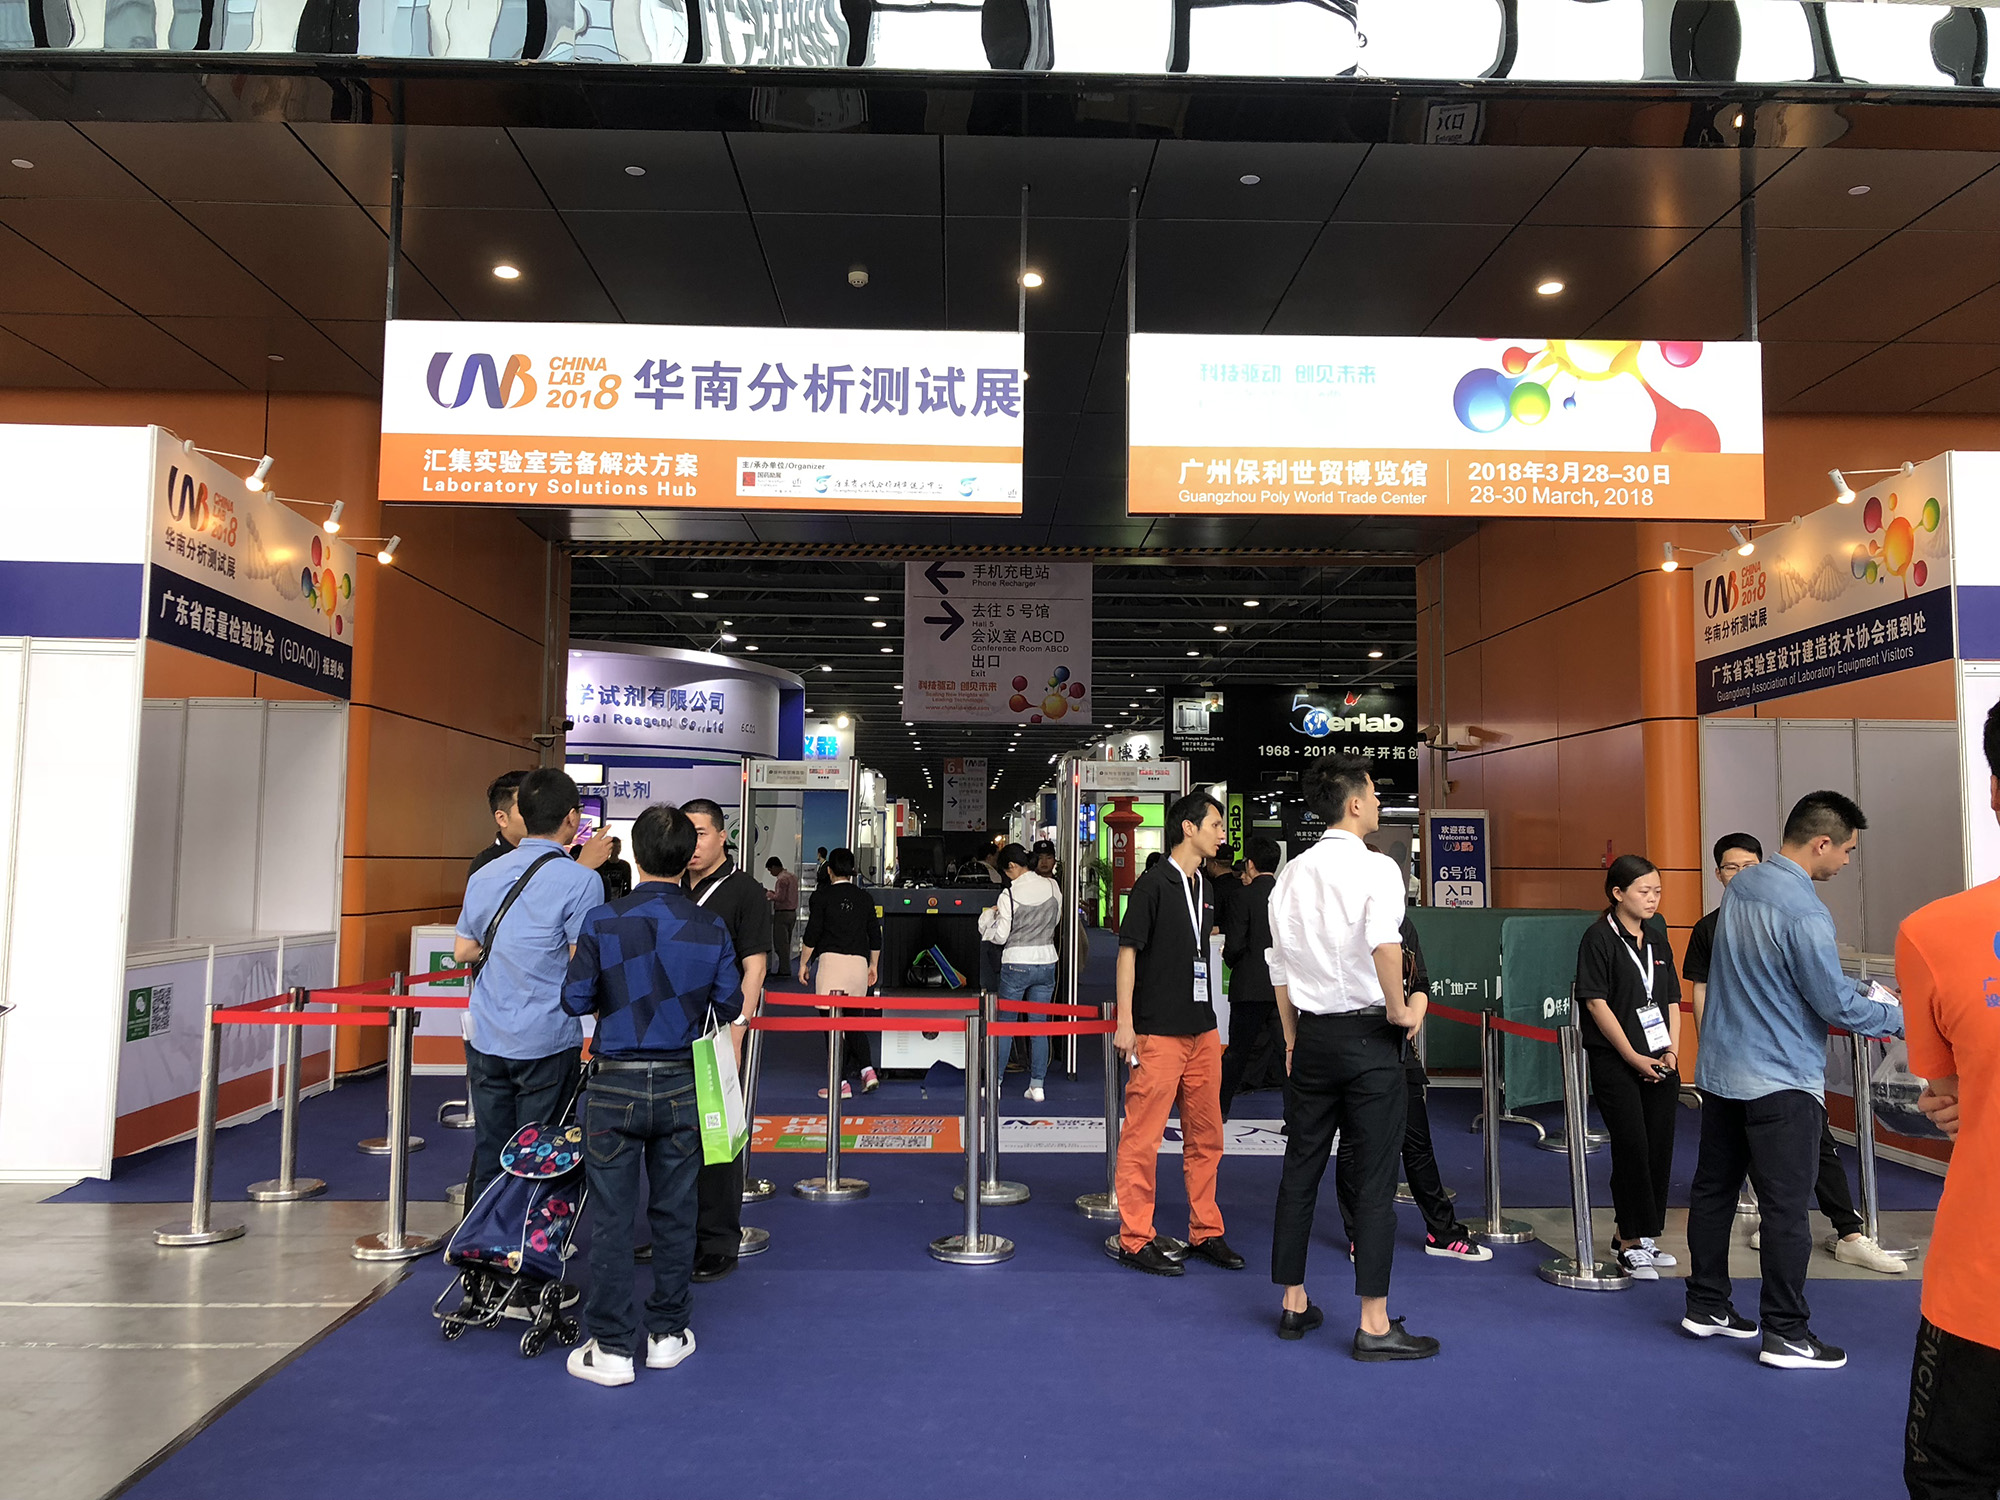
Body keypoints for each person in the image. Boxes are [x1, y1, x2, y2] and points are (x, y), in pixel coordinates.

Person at [1682, 790, 1904, 1370]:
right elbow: (1834, 1004)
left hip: (1723, 1073)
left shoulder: (1743, 887)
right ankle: (1786, 1333)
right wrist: (1901, 1017)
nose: (1847, 862)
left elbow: (1784, 976)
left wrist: (1859, 991)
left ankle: (1706, 1306)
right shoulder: (1805, 911)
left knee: (1713, 1193)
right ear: (1822, 843)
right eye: (1847, 850)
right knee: (1785, 1211)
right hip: (1781, 1081)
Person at [559, 803, 743, 1388]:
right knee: (675, 1210)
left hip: (613, 1082)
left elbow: (574, 999)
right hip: (683, 1083)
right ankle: (667, 1333)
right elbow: (731, 1002)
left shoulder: (602, 921)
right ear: (687, 856)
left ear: (635, 856)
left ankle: (612, 1346)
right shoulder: (709, 925)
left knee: (612, 1218)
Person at [1267, 755, 1437, 1360]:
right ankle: (1374, 1323)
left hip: (1312, 1036)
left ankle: (1293, 1303)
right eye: (1374, 792)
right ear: (1356, 802)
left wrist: (1292, 1039)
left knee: (1300, 1168)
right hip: (1370, 1036)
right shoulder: (1377, 867)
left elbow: (1279, 969)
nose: (1380, 802)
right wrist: (1400, 1010)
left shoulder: (1290, 874)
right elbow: (1386, 945)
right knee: (1373, 1176)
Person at [1896, 698, 2000, 1500]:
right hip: (1978, 1283)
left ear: (1993, 792)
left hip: (1983, 1281)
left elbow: (1954, 1097)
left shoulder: (1933, 935)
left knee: (1950, 1482)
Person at [452, 768, 607, 1203]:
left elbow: (463, 949)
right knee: (540, 1152)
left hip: (486, 1033)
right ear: (572, 818)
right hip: (546, 1037)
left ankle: (480, 1237)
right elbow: (581, 966)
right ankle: (526, 1238)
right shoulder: (582, 881)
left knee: (490, 1148)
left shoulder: (485, 874)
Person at [1110, 791, 1242, 1277]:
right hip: (1158, 1032)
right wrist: (1126, 1023)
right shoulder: (1152, 885)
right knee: (1142, 1138)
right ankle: (1135, 1237)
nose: (1221, 834)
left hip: (1202, 1030)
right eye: (1215, 824)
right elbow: (1127, 954)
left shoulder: (1204, 885)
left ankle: (1205, 1229)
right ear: (1188, 827)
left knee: (1207, 1137)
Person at [1336, 914, 1492, 1263]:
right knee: (1354, 1145)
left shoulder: (1401, 922)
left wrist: (1413, 1014)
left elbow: (1420, 981)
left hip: (1398, 1050)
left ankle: (1442, 1231)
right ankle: (1360, 1234)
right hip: (1351, 1045)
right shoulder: (1342, 915)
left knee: (1417, 1143)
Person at [1575, 855, 1682, 1281]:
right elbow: (1595, 1003)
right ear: (1618, 893)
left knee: (1658, 1146)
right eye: (1644, 891)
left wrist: (1672, 1051)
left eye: (1657, 891)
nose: (1653, 899)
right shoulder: (1598, 938)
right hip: (1616, 1059)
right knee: (1632, 1145)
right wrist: (1633, 1056)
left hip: (1661, 1057)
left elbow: (1670, 999)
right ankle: (1629, 1243)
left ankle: (1638, 1233)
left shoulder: (1657, 939)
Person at [678, 799, 771, 1284]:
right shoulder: (669, 884)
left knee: (718, 1138)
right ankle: (675, 1233)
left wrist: (737, 1031)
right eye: (686, 833)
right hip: (668, 1029)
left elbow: (755, 967)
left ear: (722, 836)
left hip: (718, 1028)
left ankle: (717, 1241)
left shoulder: (744, 891)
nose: (693, 844)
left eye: (701, 833)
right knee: (672, 1138)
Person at [979, 842, 1062, 1102]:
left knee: (1005, 1025)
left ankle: (996, 1083)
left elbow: (1001, 936)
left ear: (1013, 866)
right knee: (1039, 1026)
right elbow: (1056, 920)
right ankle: (1037, 1085)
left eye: (1007, 872)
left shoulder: (1008, 895)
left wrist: (988, 920)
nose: (1007, 877)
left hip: (1016, 963)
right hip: (1047, 961)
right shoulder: (1053, 886)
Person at [800, 847, 881, 1097]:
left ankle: (841, 1083)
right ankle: (868, 1070)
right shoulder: (865, 898)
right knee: (854, 1022)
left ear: (830, 870)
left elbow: (812, 933)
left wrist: (804, 964)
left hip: (831, 965)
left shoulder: (821, 897)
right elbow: (875, 935)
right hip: (858, 965)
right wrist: (873, 965)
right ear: (852, 870)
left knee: (833, 1027)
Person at [1218, 835, 1281, 1119]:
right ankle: (1294, 1120)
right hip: (1283, 986)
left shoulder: (1241, 896)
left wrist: (1230, 960)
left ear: (1251, 865)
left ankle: (1220, 1110)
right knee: (1287, 1052)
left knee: (1237, 1052)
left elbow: (1234, 944)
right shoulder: (1287, 895)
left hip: (1248, 985)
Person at [468, 770, 526, 879]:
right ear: (502, 818)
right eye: (527, 810)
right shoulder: (486, 866)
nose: (537, 815)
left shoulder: (551, 855)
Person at [766, 856, 799, 980]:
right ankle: (785, 968)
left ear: (775, 867)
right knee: (787, 943)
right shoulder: (792, 877)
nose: (771, 873)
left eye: (770, 870)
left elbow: (780, 897)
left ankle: (784, 969)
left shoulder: (781, 879)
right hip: (792, 913)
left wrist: (769, 894)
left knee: (780, 944)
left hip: (782, 914)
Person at [599, 836, 633, 901]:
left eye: (619, 847)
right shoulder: (603, 864)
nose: (617, 850)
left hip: (620, 899)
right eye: (614, 847)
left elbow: (628, 885)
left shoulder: (625, 865)